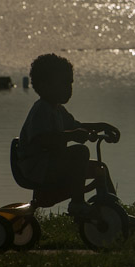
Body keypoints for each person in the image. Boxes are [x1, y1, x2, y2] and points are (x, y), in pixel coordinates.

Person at [18, 53, 119, 217]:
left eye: (70, 83)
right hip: (38, 168)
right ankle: (77, 203)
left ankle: (113, 207)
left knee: (100, 169)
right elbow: (40, 139)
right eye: (63, 84)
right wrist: (72, 136)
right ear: (45, 86)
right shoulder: (41, 109)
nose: (69, 89)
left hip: (52, 164)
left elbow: (77, 127)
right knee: (80, 152)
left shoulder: (58, 110)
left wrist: (101, 127)